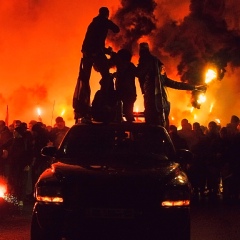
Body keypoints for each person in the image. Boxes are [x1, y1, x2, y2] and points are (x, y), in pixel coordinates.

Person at [136, 42, 206, 130]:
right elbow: (175, 84)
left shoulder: (146, 62)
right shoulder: (156, 69)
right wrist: (194, 87)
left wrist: (129, 67)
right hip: (161, 105)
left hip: (155, 105)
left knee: (154, 129)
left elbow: (138, 72)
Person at [73, 7, 120, 123]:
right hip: (94, 53)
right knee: (106, 76)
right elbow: (116, 29)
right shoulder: (103, 21)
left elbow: (93, 42)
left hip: (88, 53)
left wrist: (105, 51)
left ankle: (83, 104)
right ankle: (104, 98)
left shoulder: (93, 23)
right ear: (106, 14)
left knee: (85, 79)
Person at [115, 49, 137, 122]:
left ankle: (132, 131)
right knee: (126, 113)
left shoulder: (125, 66)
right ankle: (132, 131)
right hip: (129, 94)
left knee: (126, 114)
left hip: (127, 94)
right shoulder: (130, 66)